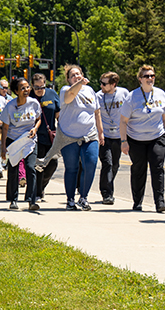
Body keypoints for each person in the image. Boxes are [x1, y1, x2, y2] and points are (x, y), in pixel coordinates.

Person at [37, 65, 104, 211]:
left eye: (78, 74)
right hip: (68, 136)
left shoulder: (90, 90)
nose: (76, 76)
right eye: (73, 75)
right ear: (68, 79)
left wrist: (100, 131)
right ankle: (70, 200)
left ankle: (84, 197)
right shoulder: (65, 90)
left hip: (89, 134)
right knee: (72, 168)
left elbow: (97, 111)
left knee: (91, 164)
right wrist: (79, 84)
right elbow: (69, 98)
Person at [120, 65, 165, 213]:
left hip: (157, 137)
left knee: (157, 168)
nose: (150, 78)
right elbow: (123, 121)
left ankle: (160, 203)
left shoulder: (160, 94)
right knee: (139, 169)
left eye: (152, 75)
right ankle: (137, 202)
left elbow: (164, 116)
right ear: (140, 79)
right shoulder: (132, 97)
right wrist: (124, 141)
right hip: (136, 138)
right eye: (147, 76)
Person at [0, 77, 42, 210]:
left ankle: (31, 200)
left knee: (30, 168)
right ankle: (13, 200)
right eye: (22, 88)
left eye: (27, 87)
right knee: (13, 170)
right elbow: (5, 127)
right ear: (16, 91)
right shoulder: (10, 106)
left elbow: (38, 119)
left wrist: (35, 128)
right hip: (13, 140)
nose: (26, 90)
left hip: (29, 139)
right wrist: (3, 147)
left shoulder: (34, 103)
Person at [96, 72, 129, 205]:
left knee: (115, 164)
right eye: (101, 82)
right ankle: (107, 194)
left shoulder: (124, 93)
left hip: (119, 135)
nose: (101, 85)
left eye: (104, 83)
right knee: (107, 163)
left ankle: (107, 184)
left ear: (113, 84)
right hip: (105, 136)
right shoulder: (98, 96)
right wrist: (99, 132)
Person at [30, 73, 60, 201]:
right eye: (36, 87)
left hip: (50, 136)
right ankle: (36, 193)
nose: (39, 90)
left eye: (42, 87)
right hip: (35, 136)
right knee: (38, 166)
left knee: (52, 163)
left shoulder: (52, 94)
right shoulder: (29, 96)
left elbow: (58, 114)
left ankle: (41, 187)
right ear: (32, 86)